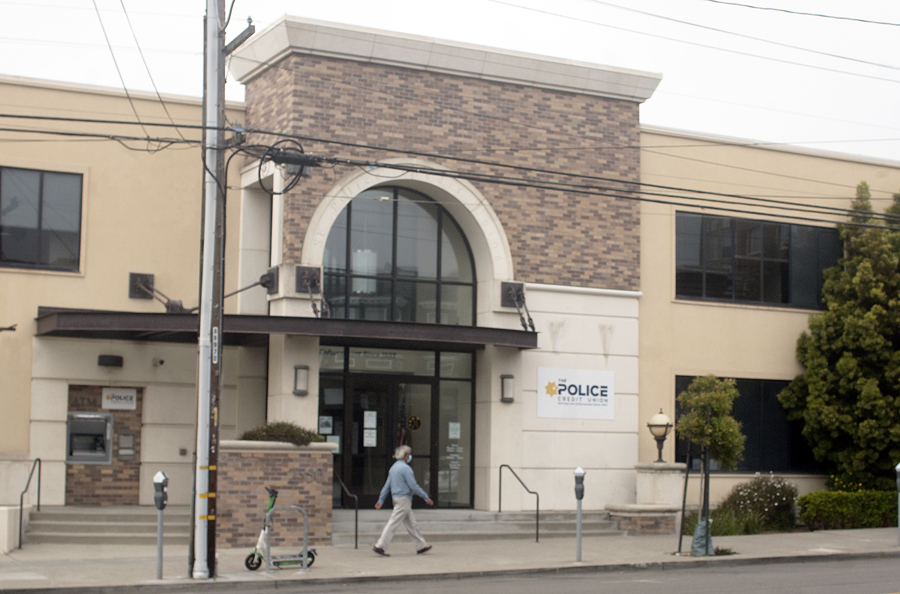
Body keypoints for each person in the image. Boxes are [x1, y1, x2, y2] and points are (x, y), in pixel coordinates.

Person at [372, 445, 433, 556]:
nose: (410, 456)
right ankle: (380, 546)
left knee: (411, 524)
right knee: (393, 523)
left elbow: (387, 486)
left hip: (396, 498)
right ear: (405, 456)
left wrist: (381, 500)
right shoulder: (406, 469)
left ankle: (421, 546)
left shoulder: (393, 468)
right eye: (409, 454)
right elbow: (413, 486)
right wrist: (425, 497)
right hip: (404, 499)